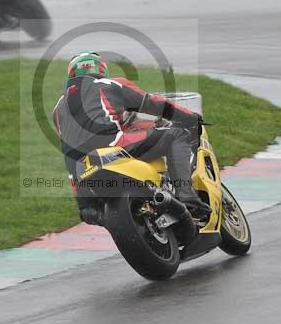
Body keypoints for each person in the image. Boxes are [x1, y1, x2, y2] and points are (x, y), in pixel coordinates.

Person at [52, 52, 211, 225]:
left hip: (79, 171)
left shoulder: (58, 109)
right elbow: (154, 103)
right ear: (101, 69)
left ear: (72, 74)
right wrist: (189, 117)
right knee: (176, 135)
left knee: (90, 213)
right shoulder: (110, 84)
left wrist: (82, 203)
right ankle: (186, 195)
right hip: (112, 145)